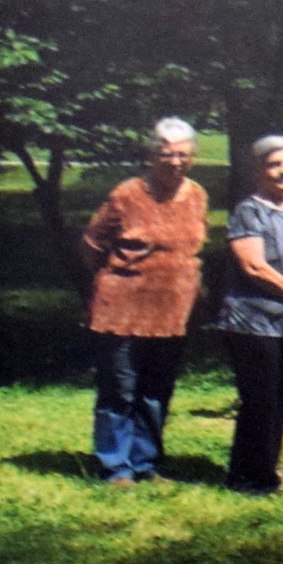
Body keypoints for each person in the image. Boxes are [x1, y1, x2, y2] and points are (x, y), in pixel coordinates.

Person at [80, 117, 208, 487]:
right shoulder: (127, 195)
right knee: (119, 388)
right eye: (166, 153)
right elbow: (91, 245)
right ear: (151, 155)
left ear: (193, 156)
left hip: (172, 309)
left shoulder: (198, 195)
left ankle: (145, 463)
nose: (174, 161)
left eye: (182, 154)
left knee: (156, 389)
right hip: (121, 307)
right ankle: (115, 467)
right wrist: (114, 281)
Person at [216, 135, 283, 495]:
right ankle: (246, 476)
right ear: (259, 170)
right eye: (275, 164)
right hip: (251, 320)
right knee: (259, 399)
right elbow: (253, 266)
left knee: (279, 398)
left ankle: (266, 472)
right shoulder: (248, 211)